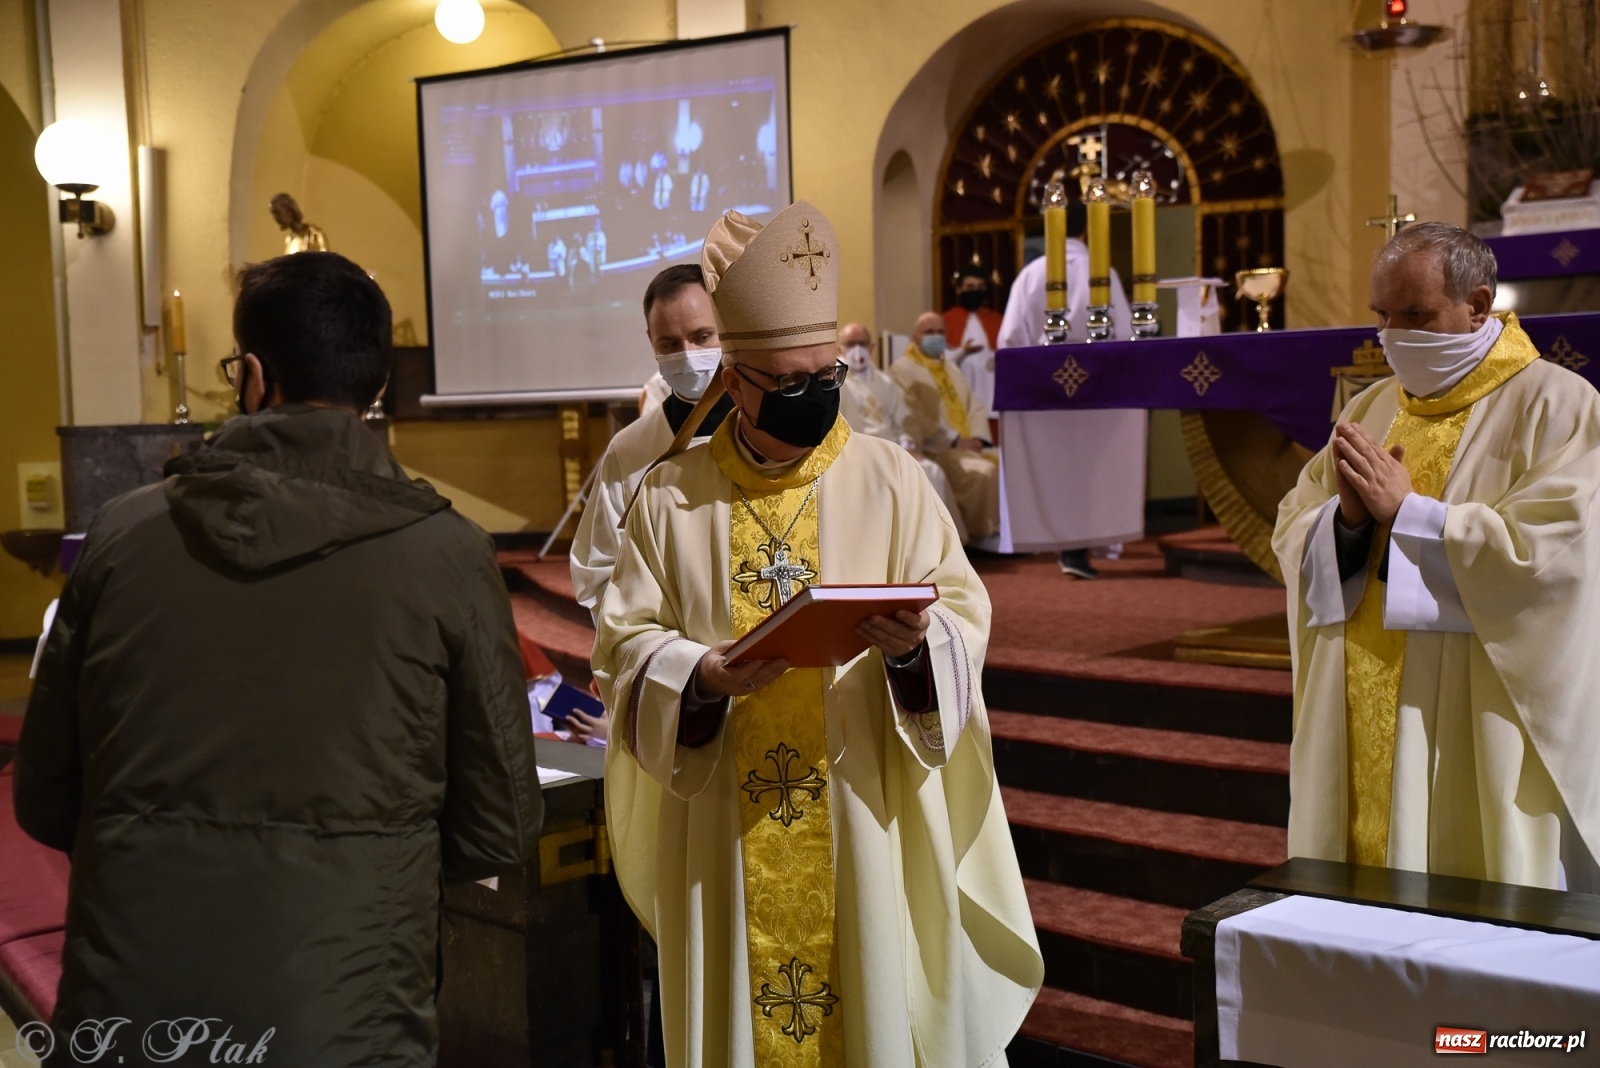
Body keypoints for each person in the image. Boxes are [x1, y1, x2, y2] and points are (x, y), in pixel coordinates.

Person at [14, 252, 541, 1065]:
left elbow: (45, 795)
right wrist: (381, 863)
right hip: (347, 1009)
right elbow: (500, 822)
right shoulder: (447, 554)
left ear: (252, 376)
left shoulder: (120, 537)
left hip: (131, 1009)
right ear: (374, 388)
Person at [596, 202, 1041, 1067]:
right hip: (726, 825)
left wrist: (915, 650)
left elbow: (963, 616)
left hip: (861, 813)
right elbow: (622, 650)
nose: (815, 397)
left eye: (825, 376)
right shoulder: (668, 496)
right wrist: (698, 677)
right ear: (731, 381)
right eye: (789, 383)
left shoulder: (892, 480)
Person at [1274, 221, 1600, 891]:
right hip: (1357, 696)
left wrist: (1413, 517)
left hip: (1469, 713)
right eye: (1383, 316)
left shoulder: (1559, 406)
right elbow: (1293, 523)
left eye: (1416, 315)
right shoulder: (1370, 406)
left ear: (1478, 304)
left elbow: (1558, 558)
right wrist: (1347, 522)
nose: (1393, 335)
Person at [569, 263, 736, 739]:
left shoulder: (771, 435)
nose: (688, 355)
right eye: (669, 344)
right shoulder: (632, 449)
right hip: (680, 678)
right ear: (650, 342)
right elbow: (597, 569)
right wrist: (654, 653)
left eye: (703, 336)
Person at [998, 201, 1143, 578]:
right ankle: (1087, 545)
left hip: (1044, 395)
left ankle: (1065, 545)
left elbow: (1010, 340)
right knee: (1092, 471)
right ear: (1084, 230)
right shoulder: (1102, 276)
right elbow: (1126, 337)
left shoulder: (1031, 276)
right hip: (1097, 395)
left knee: (1056, 470)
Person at [837, 322, 970, 543]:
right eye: (851, 344)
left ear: (872, 348)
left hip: (892, 449)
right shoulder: (834, 382)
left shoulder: (884, 381)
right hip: (857, 451)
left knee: (931, 471)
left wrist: (908, 444)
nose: (857, 350)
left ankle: (939, 546)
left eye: (862, 344)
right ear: (839, 349)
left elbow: (903, 421)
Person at [891, 311, 1001, 544]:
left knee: (1007, 464)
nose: (936, 337)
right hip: (938, 447)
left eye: (940, 332)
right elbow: (914, 416)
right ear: (916, 336)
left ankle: (1001, 532)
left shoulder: (950, 367)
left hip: (967, 444)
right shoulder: (903, 369)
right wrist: (954, 440)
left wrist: (979, 438)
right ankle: (981, 534)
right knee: (983, 474)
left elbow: (974, 405)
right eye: (929, 332)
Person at [944, 264, 1004, 424]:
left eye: (980, 287)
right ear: (958, 290)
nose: (975, 290)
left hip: (991, 393)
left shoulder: (997, 320)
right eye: (970, 287)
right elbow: (940, 361)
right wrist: (963, 352)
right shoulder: (946, 320)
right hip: (961, 395)